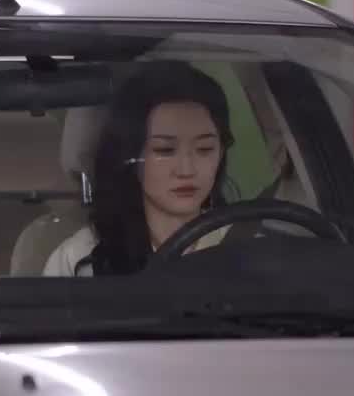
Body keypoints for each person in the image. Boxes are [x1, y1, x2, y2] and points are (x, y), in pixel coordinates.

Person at [43, 59, 234, 277]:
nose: (186, 169)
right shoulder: (80, 257)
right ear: (130, 154)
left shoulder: (250, 247)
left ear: (221, 152)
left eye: (204, 149)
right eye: (165, 150)